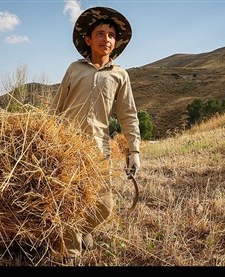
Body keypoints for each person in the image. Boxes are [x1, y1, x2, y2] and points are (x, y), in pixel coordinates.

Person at [50, 6, 141, 259]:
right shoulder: (74, 69)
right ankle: (70, 254)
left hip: (98, 148)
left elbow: (128, 114)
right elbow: (56, 107)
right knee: (67, 201)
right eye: (100, 34)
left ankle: (82, 229)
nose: (106, 39)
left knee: (104, 205)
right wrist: (44, 140)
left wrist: (134, 150)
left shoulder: (120, 75)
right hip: (66, 146)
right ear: (88, 40)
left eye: (111, 35)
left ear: (116, 42)